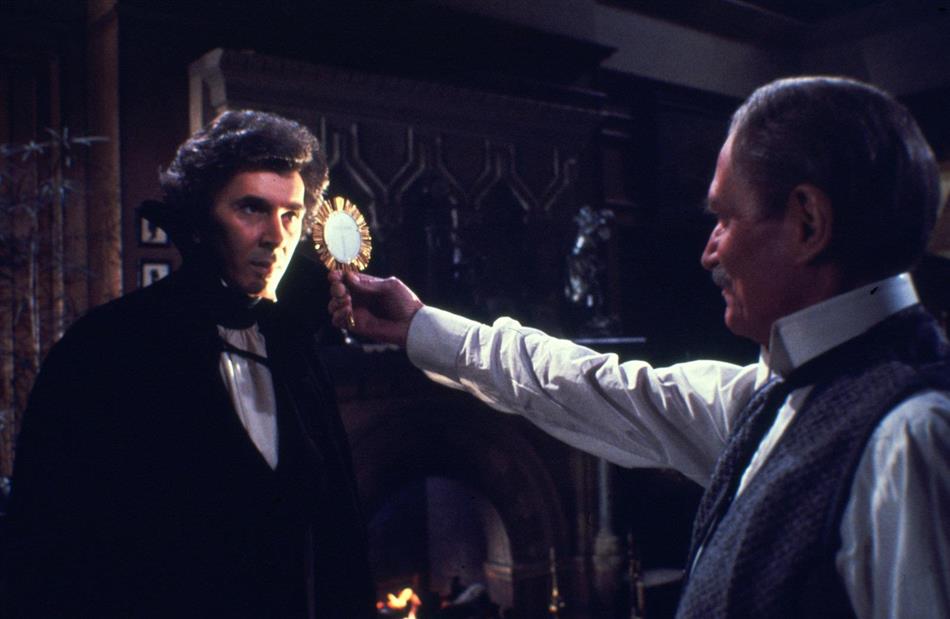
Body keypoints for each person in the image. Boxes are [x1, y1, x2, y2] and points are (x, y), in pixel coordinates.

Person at [328, 76, 950, 618]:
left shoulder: (912, 438)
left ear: (808, 221)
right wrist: (421, 327)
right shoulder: (772, 395)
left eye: (725, 218)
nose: (709, 251)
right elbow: (590, 385)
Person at [2, 110, 375, 617]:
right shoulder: (108, 347)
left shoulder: (292, 347)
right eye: (251, 208)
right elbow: (51, 550)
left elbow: (338, 536)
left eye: (290, 215)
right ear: (201, 218)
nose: (276, 235)